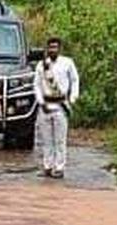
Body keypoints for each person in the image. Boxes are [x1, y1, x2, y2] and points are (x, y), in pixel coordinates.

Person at [34, 36, 80, 179]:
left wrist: (72, 98)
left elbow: (75, 80)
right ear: (47, 49)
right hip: (45, 105)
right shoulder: (42, 65)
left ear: (59, 49)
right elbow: (36, 84)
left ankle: (59, 167)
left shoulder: (67, 63)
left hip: (61, 104)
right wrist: (41, 102)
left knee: (60, 139)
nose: (52, 50)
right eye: (50, 47)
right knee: (46, 139)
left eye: (55, 47)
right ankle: (47, 166)